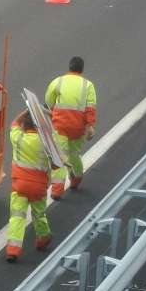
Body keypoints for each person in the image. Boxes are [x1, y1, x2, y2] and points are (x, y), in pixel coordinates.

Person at [7, 110, 56, 262]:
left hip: (19, 186)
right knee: (39, 215)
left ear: (24, 125)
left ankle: (13, 249)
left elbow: (13, 124)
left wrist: (27, 110)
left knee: (17, 217)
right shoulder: (46, 142)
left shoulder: (18, 138)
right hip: (39, 187)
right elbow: (55, 164)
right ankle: (43, 237)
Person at [45, 56, 97, 199]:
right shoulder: (88, 85)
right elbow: (90, 107)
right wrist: (90, 126)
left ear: (69, 67)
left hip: (60, 126)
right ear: (82, 69)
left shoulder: (58, 81)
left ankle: (57, 190)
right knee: (74, 155)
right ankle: (76, 179)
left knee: (60, 157)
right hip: (78, 128)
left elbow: (48, 102)